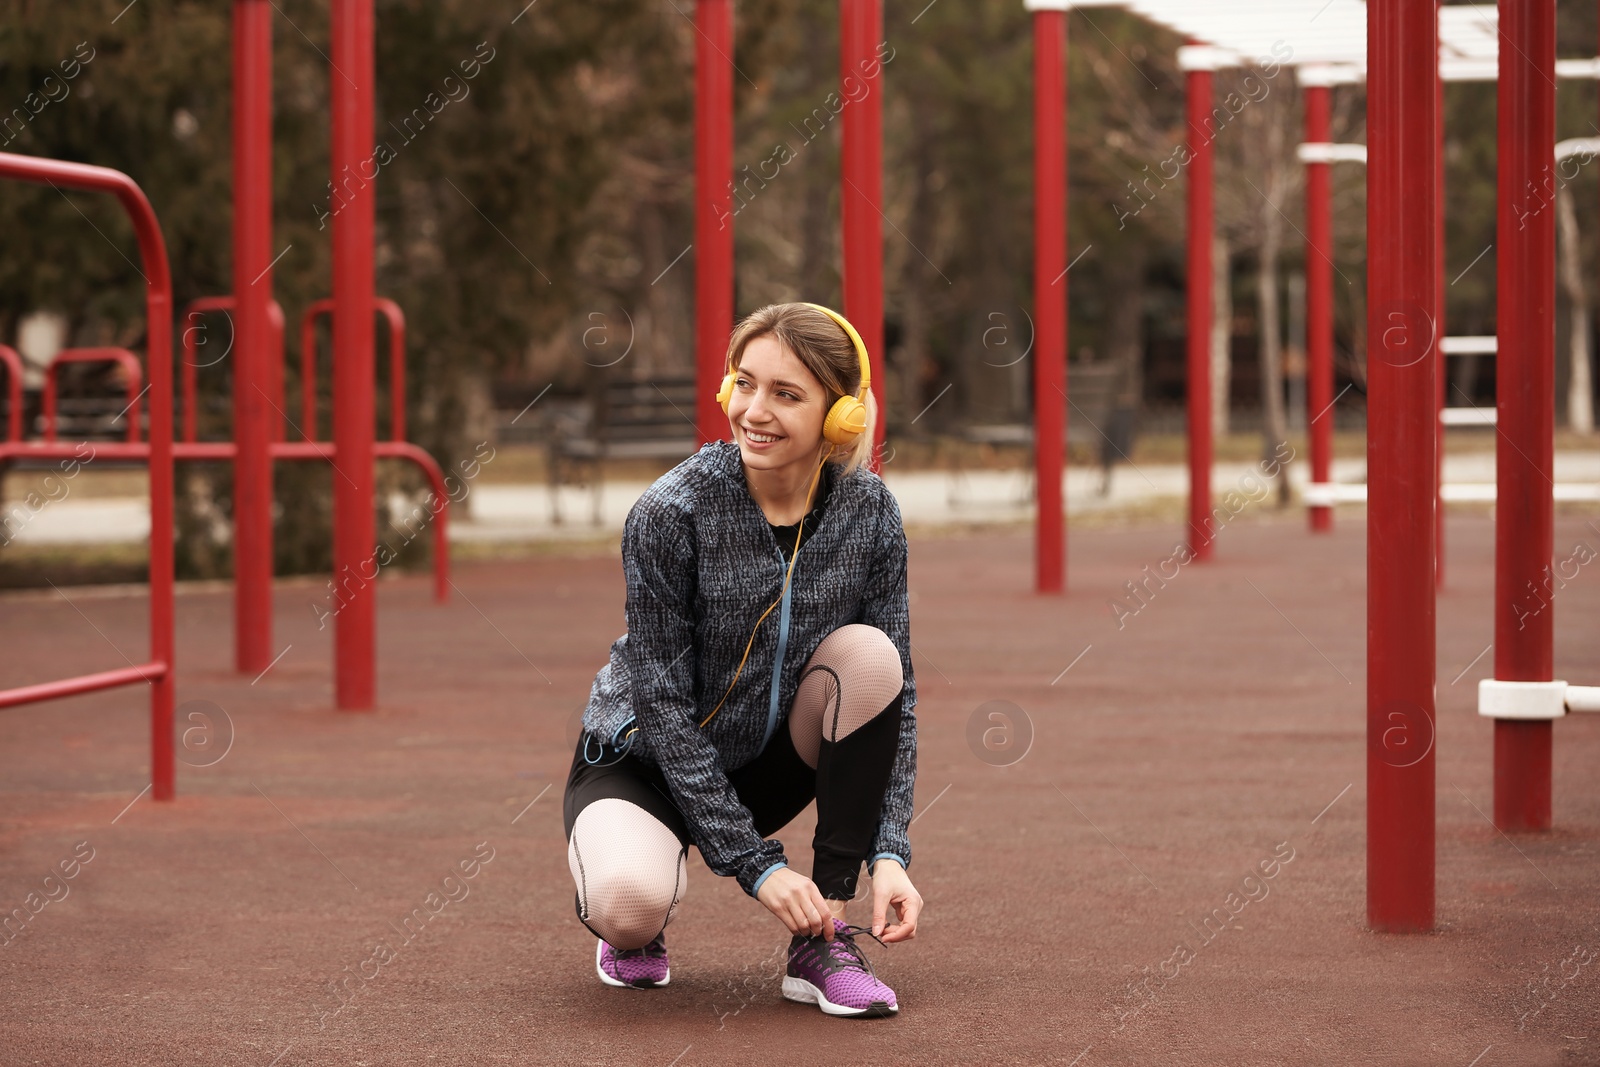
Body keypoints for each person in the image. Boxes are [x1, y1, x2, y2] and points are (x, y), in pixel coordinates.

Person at [562, 301, 922, 1018]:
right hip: (646, 764)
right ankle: (639, 909)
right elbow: (661, 706)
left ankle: (824, 937)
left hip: (766, 763)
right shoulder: (670, 513)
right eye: (745, 383)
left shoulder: (870, 512)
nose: (754, 410)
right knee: (628, 903)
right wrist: (759, 867)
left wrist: (891, 851)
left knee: (873, 657)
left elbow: (896, 695)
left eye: (786, 394)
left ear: (841, 415)